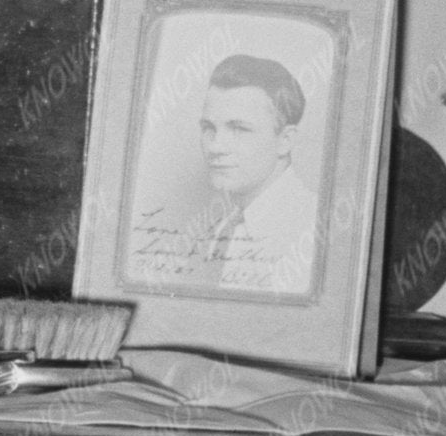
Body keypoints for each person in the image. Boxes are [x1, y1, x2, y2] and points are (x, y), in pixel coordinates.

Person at [133, 50, 319, 298]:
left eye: (239, 129)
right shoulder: (224, 227)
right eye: (209, 128)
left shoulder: (312, 232)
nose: (214, 147)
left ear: (285, 140)